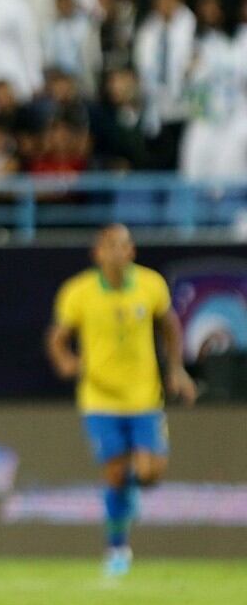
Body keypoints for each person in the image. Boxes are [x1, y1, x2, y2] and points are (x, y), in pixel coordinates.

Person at [47, 224, 196, 577]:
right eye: (110, 246)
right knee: (114, 472)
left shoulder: (151, 285)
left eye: (123, 245)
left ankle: (129, 495)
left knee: (149, 473)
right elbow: (58, 336)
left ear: (131, 252)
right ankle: (117, 547)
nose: (117, 252)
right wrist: (65, 360)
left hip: (144, 397)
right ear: (97, 253)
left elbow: (169, 326)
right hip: (100, 398)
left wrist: (176, 369)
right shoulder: (78, 292)